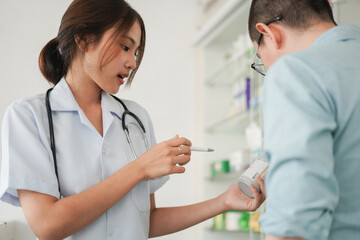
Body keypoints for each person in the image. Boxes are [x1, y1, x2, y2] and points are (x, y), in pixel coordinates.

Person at [0, 0, 266, 239]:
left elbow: (146, 222)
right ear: (83, 40)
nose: (132, 63)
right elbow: (48, 225)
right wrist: (139, 168)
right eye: (125, 47)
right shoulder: (28, 116)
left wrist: (223, 201)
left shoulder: (135, 118)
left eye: (136, 52)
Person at [247, 0, 360, 239]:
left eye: (261, 58)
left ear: (269, 33)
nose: (268, 69)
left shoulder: (294, 71)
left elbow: (294, 218)